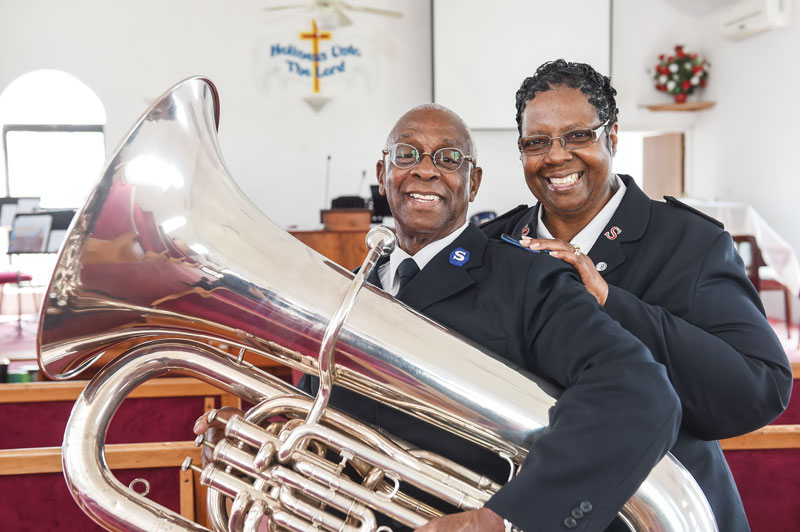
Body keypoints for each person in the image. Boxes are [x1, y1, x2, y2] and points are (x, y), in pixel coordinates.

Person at [294, 103, 681, 531]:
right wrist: (274, 455)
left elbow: (637, 391)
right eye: (407, 154)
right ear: (384, 174)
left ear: (473, 182)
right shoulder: (345, 291)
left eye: (449, 157)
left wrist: (506, 519)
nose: (425, 170)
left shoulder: (527, 279)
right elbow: (311, 413)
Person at [480, 59, 793, 532]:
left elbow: (760, 387)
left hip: (660, 508)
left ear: (614, 136)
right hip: (528, 505)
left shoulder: (689, 242)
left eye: (578, 136)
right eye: (536, 142)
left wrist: (609, 300)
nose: (556, 156)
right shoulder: (495, 244)